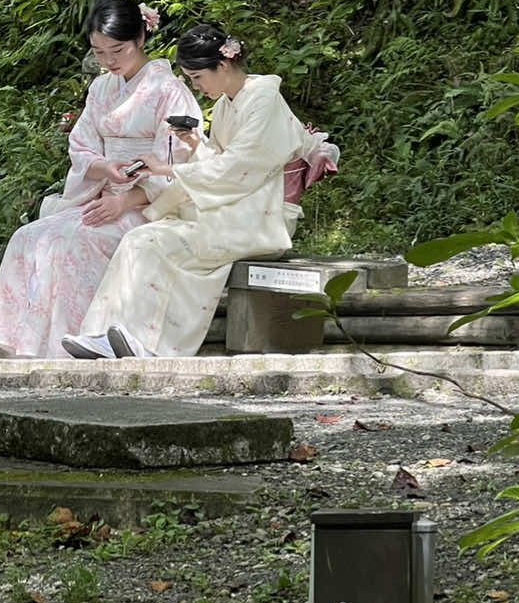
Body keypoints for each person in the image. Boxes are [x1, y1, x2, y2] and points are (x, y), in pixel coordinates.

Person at [61, 22, 335, 360]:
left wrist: (167, 169)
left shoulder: (264, 99)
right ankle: (104, 334)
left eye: (197, 77)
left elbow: (239, 168)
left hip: (260, 216)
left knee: (156, 242)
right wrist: (196, 145)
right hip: (233, 207)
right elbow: (224, 164)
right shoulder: (224, 105)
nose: (197, 86)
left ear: (222, 65)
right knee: (140, 239)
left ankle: (148, 344)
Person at [0, 0, 194, 358]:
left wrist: (126, 200)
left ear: (140, 38)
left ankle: (71, 347)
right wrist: (104, 168)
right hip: (104, 194)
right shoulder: (100, 89)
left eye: (117, 51)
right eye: (99, 52)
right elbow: (82, 145)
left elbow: (177, 160)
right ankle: (23, 350)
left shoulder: (169, 91)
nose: (108, 61)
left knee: (74, 242)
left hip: (150, 205)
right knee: (29, 237)